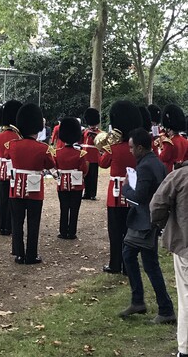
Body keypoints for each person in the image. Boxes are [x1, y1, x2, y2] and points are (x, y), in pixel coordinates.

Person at [119, 127, 175, 324]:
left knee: (148, 264)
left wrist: (125, 187)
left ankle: (163, 308)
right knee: (133, 257)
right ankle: (140, 301)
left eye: (132, 148)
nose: (130, 151)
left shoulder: (144, 167)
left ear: (141, 148)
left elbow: (140, 196)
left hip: (144, 221)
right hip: (151, 219)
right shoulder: (156, 162)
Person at [4, 103, 55, 264]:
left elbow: (6, 155)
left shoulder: (12, 145)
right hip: (34, 189)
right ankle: (31, 254)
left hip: (16, 188)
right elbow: (49, 164)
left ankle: (19, 254)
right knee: (33, 222)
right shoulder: (43, 147)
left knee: (17, 222)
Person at [99, 100, 142, 274]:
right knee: (130, 230)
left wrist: (103, 150)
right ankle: (128, 265)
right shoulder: (139, 148)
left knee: (115, 232)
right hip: (133, 192)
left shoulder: (113, 148)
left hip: (115, 195)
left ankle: (115, 264)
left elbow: (102, 164)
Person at [150, 160, 188, 356]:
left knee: (186, 298)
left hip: (185, 245)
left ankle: (185, 347)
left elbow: (156, 206)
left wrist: (162, 226)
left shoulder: (180, 176)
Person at [54, 117, 88, 239]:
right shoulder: (81, 154)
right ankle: (72, 232)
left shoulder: (57, 153)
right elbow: (84, 170)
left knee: (64, 208)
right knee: (74, 209)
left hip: (62, 184)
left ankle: (63, 231)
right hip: (77, 184)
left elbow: (54, 168)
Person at [0, 100, 22, 235]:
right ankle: (8, 225)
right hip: (12, 170)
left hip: (2, 170)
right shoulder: (16, 135)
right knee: (11, 199)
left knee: (3, 199)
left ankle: (2, 226)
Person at [158, 104, 188, 173]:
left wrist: (160, 148)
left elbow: (163, 157)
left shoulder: (169, 142)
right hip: (181, 171)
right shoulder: (185, 141)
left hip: (169, 171)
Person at [81, 108, 101, 200]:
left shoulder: (99, 133)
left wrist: (94, 135)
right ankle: (86, 193)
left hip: (94, 156)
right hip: (85, 155)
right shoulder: (85, 131)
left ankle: (93, 194)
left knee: (93, 176)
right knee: (86, 175)